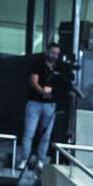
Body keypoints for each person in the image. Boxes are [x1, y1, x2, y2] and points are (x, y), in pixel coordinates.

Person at [21, 42, 64, 171]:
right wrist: (42, 92)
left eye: (57, 54)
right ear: (47, 52)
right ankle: (24, 159)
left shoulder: (59, 67)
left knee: (46, 135)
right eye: (52, 53)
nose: (54, 56)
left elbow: (62, 84)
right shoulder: (38, 63)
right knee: (29, 132)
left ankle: (41, 160)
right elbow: (33, 82)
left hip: (50, 105)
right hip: (35, 102)